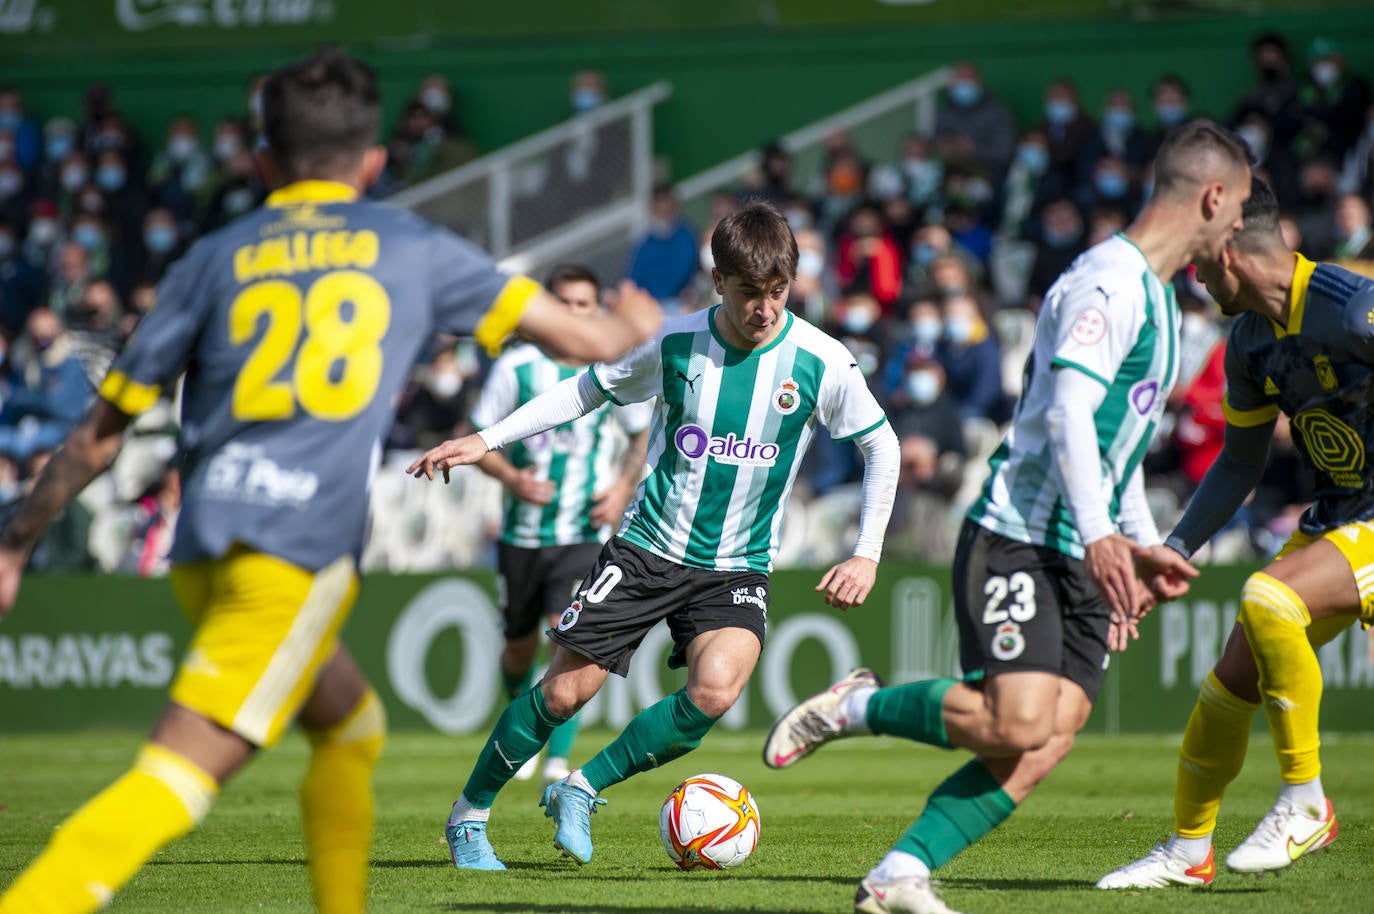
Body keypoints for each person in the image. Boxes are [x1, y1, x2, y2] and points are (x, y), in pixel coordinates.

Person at [0, 48, 660, 914]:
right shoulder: (410, 246)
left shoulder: (212, 257)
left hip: (207, 547)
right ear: (375, 162)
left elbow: (97, 436)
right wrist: (634, 312)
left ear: (263, 160)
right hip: (293, 553)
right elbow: (593, 344)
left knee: (351, 730)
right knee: (174, 778)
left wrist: (14, 545)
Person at [762, 120, 1252, 914]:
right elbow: (1065, 416)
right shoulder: (1107, 283)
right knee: (1017, 719)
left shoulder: (1161, 309)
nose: (1238, 231)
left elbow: (1115, 450)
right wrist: (1104, 538)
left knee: (1052, 733)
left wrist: (1136, 548)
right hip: (1022, 532)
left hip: (1088, 546)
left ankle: (897, 877)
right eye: (1239, 211)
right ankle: (855, 706)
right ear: (1213, 195)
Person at [409, 200, 900, 872]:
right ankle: (469, 818)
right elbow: (584, 392)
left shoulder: (823, 361)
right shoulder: (674, 341)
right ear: (720, 282)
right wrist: (483, 440)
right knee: (562, 695)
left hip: (737, 565)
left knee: (717, 689)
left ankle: (580, 787)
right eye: (750, 292)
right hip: (647, 549)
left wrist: (866, 553)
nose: (765, 308)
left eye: (778, 291)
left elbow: (883, 447)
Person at [1097, 176, 1370, 889]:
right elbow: (1240, 461)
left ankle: (1306, 799)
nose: (1189, 268)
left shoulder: (1355, 309)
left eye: (1196, 253)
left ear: (1229, 250)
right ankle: (1187, 850)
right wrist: (1174, 548)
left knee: (1268, 598)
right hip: (1339, 519)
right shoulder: (1248, 341)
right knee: (1227, 686)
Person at [469, 263, 651, 788]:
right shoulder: (516, 368)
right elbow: (479, 437)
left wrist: (620, 488)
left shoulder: (612, 364)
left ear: (597, 311)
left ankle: (555, 756)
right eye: (565, 305)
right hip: (523, 534)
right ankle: (518, 731)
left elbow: (639, 436)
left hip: (583, 533)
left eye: (584, 306)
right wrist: (511, 478)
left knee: (567, 636)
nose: (574, 316)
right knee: (519, 647)